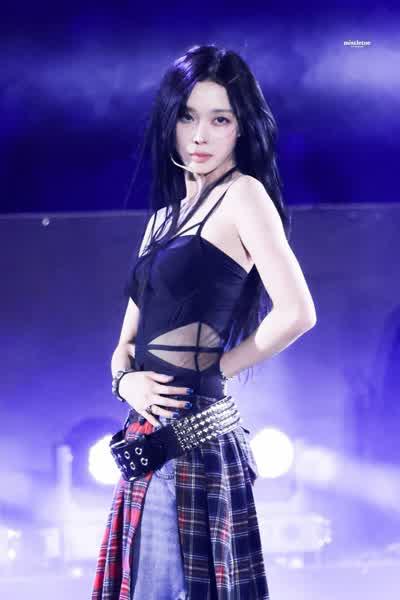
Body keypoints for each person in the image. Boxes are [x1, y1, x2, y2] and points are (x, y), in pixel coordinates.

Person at [92, 44, 317, 600]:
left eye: (220, 119)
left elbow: (298, 312)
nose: (200, 136)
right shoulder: (160, 220)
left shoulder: (245, 195)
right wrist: (125, 382)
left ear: (241, 128)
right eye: (188, 117)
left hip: (193, 437)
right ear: (170, 120)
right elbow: (124, 344)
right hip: (145, 435)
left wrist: (218, 369)